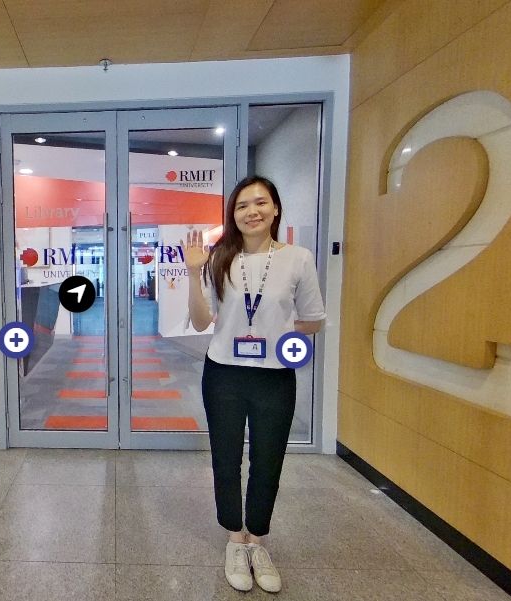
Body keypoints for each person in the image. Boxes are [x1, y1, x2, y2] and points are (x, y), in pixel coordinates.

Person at [183, 175, 325, 593]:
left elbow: (314, 320)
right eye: (243, 205)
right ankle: (233, 540)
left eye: (260, 203)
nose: (252, 212)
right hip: (223, 372)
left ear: (275, 209)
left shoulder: (298, 258)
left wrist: (279, 332)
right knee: (226, 461)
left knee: (268, 461)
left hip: (274, 378)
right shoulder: (220, 258)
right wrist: (194, 274)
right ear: (233, 214)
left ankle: (257, 541)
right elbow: (199, 322)